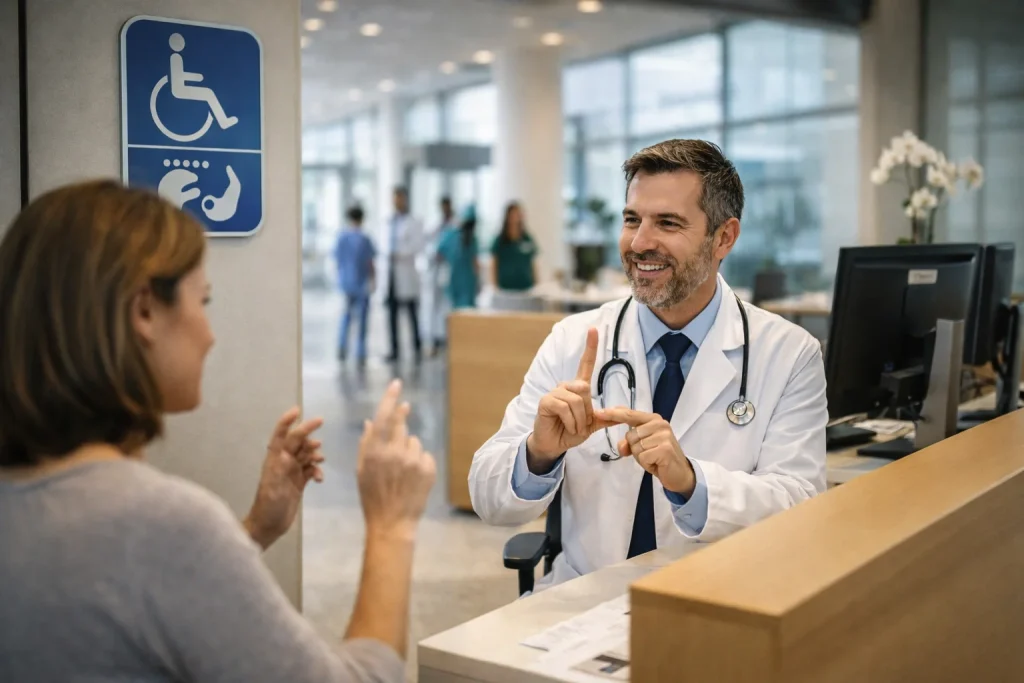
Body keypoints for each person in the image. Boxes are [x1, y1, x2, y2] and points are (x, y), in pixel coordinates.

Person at [0, 181, 437, 682]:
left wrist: (253, 530)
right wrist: (391, 523)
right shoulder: (160, 524)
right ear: (144, 311)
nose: (210, 335)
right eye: (202, 302)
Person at [469, 140, 827, 589]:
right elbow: (487, 496)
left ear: (724, 238)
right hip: (582, 596)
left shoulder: (790, 354)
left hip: (716, 606)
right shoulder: (574, 340)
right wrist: (538, 454)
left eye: (668, 223)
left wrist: (691, 483)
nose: (640, 243)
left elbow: (802, 509)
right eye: (632, 219)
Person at [383, 186, 424, 363]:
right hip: (391, 274)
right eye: (394, 199)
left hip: (406, 271)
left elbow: (418, 246)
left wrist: (400, 253)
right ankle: (394, 350)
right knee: (391, 315)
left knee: (411, 313)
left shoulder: (413, 222)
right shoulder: (388, 222)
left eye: (399, 198)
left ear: (405, 199)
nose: (397, 202)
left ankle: (417, 348)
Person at [334, 205, 376, 365]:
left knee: (346, 316)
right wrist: (373, 281)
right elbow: (370, 262)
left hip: (346, 283)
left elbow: (337, 261)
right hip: (361, 284)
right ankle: (360, 351)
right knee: (362, 319)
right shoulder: (365, 239)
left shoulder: (342, 237)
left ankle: (342, 347)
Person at [426, 196, 458, 354]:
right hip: (437, 269)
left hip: (451, 270)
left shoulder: (456, 226)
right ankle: (434, 339)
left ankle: (447, 338)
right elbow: (431, 248)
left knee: (448, 305)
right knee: (434, 305)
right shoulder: (435, 226)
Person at [437, 205, 480, 310]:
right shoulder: (454, 235)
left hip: (459, 281)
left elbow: (438, 254)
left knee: (456, 314)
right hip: (460, 281)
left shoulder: (451, 234)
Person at [491, 201, 538, 291]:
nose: (516, 217)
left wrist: (536, 286)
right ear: (507, 216)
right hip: (505, 289)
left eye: (518, 214)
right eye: (513, 214)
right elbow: (493, 264)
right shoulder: (500, 240)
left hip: (526, 288)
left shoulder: (527, 239)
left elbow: (533, 264)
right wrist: (495, 287)